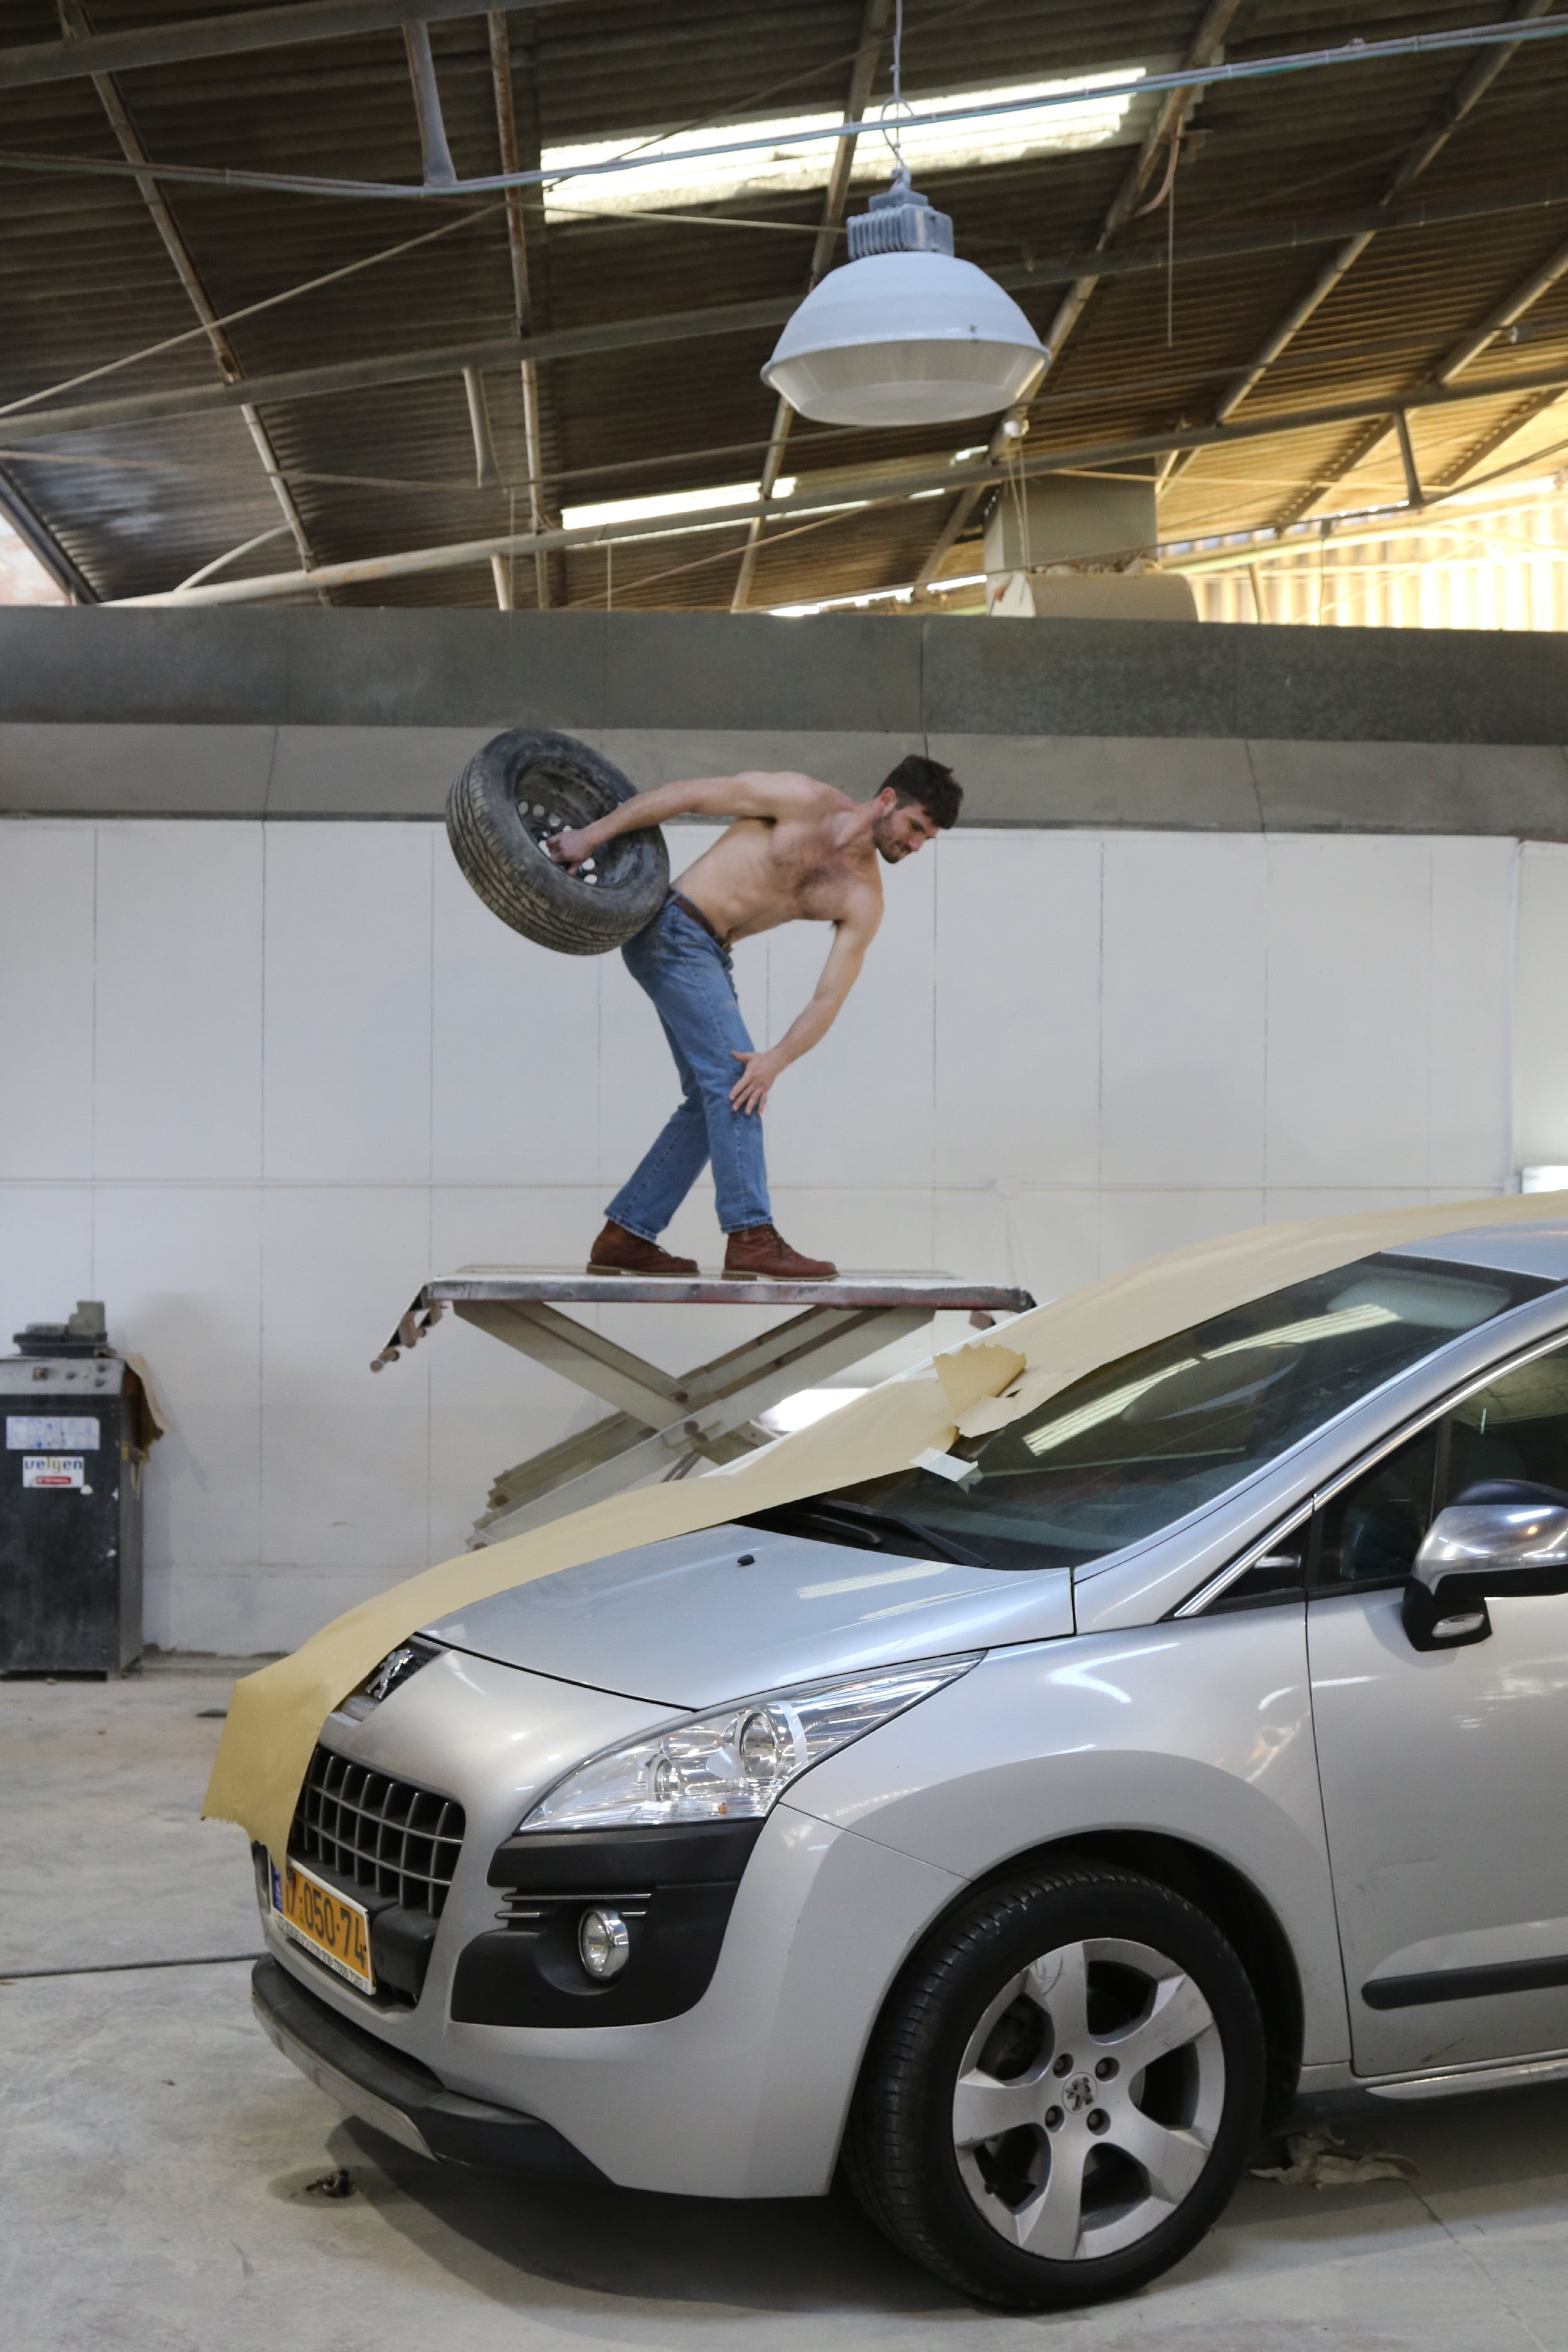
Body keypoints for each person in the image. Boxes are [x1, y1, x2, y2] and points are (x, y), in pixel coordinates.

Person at [547, 755, 963, 1280]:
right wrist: (591, 837)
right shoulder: (801, 799)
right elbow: (688, 794)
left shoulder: (864, 898)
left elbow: (827, 1000)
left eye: (928, 839)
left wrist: (777, 1061)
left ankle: (625, 1235)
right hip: (675, 927)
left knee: (716, 1097)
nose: (917, 846)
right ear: (886, 800)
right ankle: (750, 1235)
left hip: (709, 954)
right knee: (734, 1082)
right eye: (916, 827)